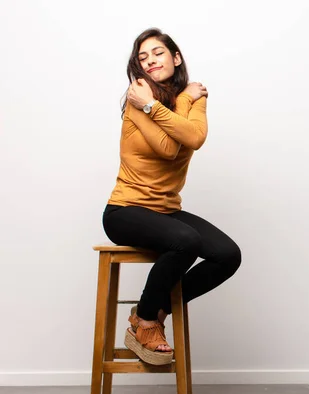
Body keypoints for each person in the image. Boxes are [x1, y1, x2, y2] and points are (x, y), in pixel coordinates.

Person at [102, 28, 242, 366]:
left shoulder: (192, 97)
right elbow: (168, 148)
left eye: (158, 53)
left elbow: (193, 137)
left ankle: (154, 309)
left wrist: (170, 102)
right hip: (125, 210)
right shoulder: (138, 100)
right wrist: (160, 102)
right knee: (186, 242)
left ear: (175, 57)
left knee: (227, 255)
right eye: (143, 58)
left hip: (164, 211)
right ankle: (146, 323)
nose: (150, 62)